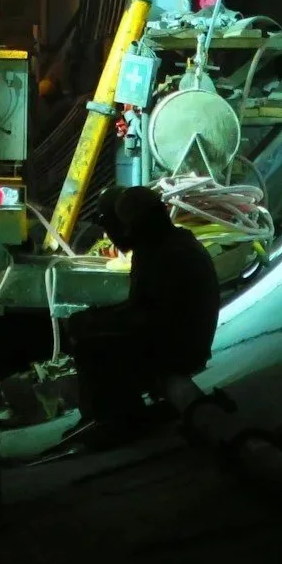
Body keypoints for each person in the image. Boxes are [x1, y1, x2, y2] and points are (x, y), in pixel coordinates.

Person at [64, 185, 221, 442]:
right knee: (92, 327)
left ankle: (119, 420)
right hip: (186, 340)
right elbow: (148, 309)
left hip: (179, 348)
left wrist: (98, 321)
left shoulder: (161, 255)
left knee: (92, 348)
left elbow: (151, 319)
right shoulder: (172, 242)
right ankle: (109, 416)